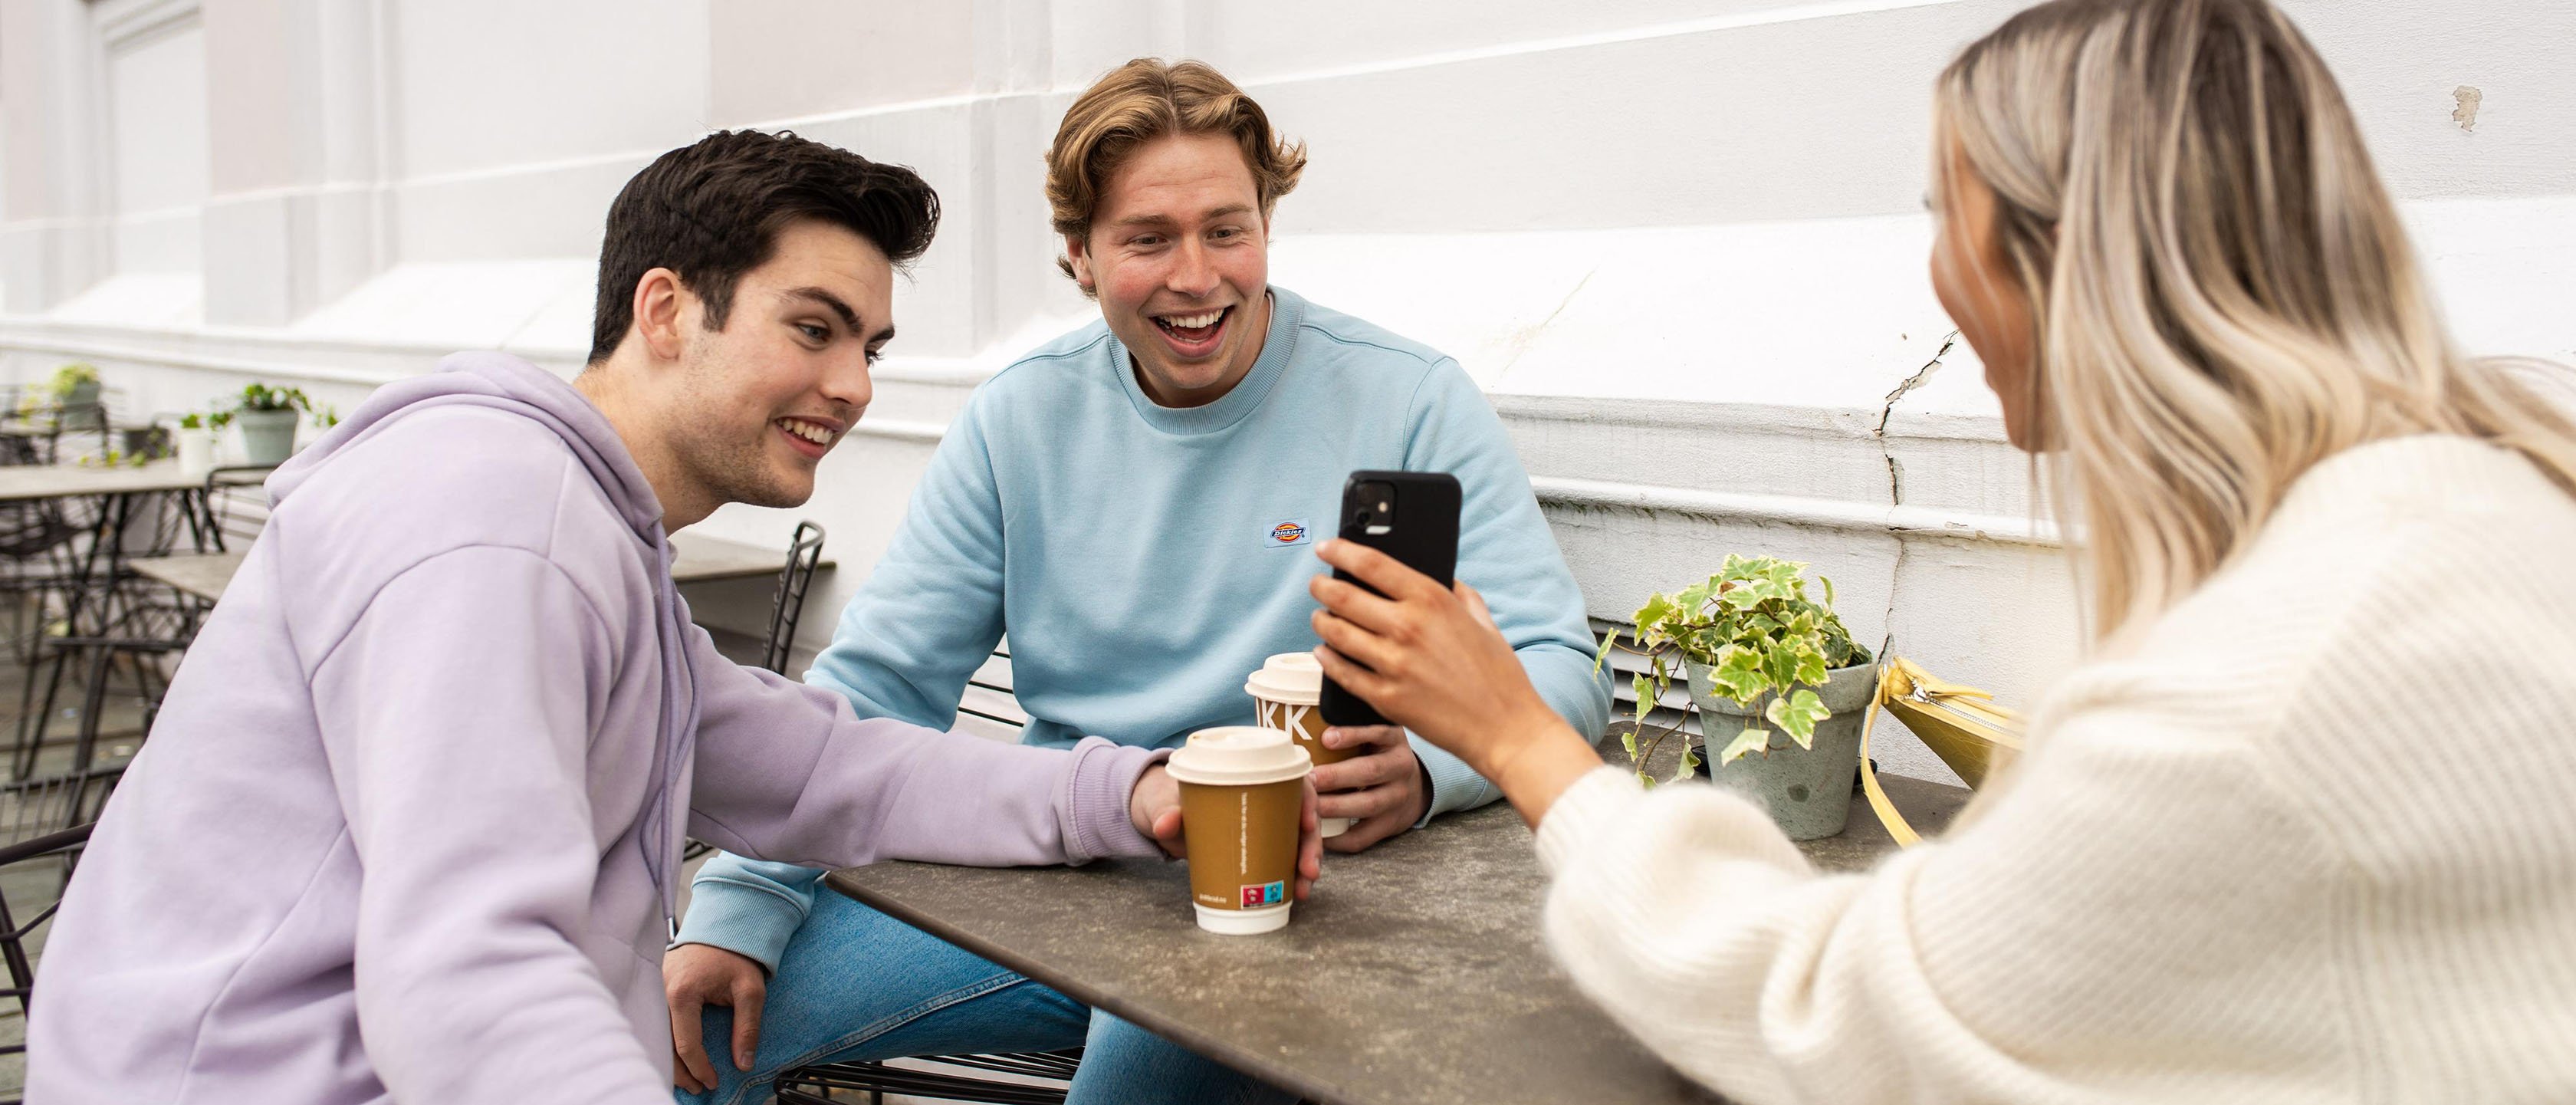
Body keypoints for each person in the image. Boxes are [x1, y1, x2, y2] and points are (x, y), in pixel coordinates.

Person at [1306, 1, 2576, 1101]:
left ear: (2070, 256)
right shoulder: (2492, 496)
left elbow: (1833, 1018)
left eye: (1942, 216)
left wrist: (1521, 737)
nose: (1931, 274)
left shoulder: (2262, 690)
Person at [26, 129, 1318, 1104]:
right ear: (663, 310)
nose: (853, 384)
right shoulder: (495, 519)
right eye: (813, 328)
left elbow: (820, 762)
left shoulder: (585, 533)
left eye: (869, 343)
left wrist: (1132, 791)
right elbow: (469, 966)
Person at [665, 59, 1610, 1104]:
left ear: (1267, 227)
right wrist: (740, 904)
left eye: (1226, 229)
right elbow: (875, 687)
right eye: (1147, 239)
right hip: (1067, 864)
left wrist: (1430, 768)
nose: (1196, 276)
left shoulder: (1409, 398)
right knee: (680, 1034)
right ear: (1079, 254)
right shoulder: (1021, 419)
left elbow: (1559, 665)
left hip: (1289, 898)